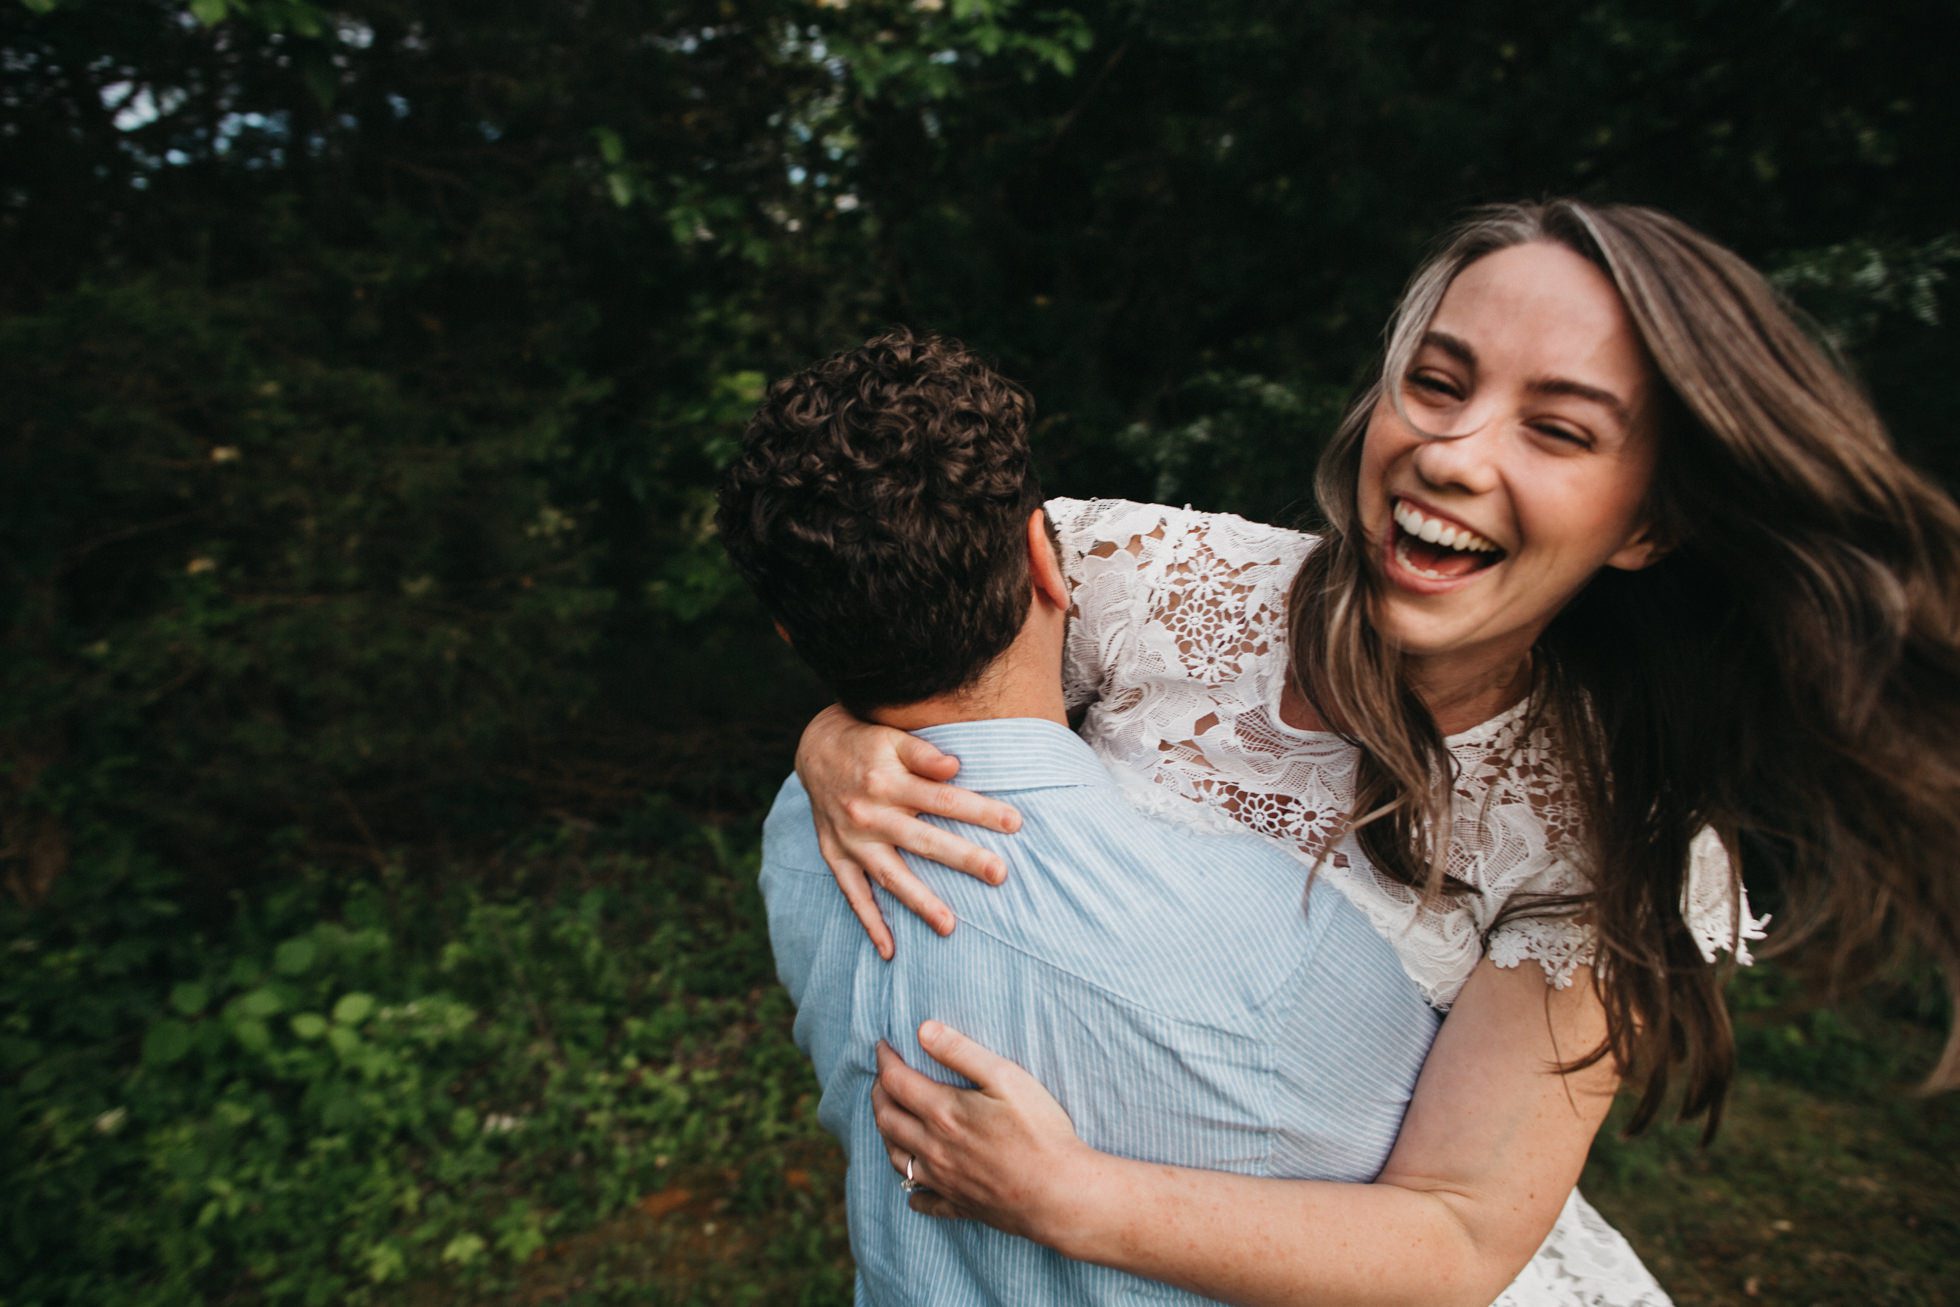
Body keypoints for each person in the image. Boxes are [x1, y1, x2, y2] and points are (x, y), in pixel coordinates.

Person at [793, 200, 1960, 1305]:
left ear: (1650, 523)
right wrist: (838, 739)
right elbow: (904, 634)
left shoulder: (1624, 835)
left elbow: (1457, 1228)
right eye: (1436, 383)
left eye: (1555, 429)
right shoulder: (1140, 573)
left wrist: (1071, 1197)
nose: (1451, 451)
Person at [718, 329, 1489, 1303]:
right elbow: (1417, 1183)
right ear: (1048, 561)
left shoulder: (798, 835)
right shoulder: (1264, 926)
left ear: (792, 631)